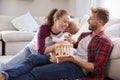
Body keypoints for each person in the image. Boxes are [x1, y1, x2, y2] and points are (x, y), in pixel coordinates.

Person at [0, 7, 114, 80]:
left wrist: (71, 59)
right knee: (34, 58)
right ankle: (5, 75)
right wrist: (64, 50)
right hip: (68, 58)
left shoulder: (105, 42)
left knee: (37, 72)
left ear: (100, 22)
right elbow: (74, 47)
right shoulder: (85, 35)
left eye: (91, 18)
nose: (88, 20)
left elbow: (97, 68)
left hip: (78, 68)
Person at [0, 8, 70, 71]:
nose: (66, 25)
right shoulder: (44, 28)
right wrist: (58, 45)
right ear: (55, 20)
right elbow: (41, 51)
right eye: (64, 21)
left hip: (43, 57)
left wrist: (70, 41)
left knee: (24, 72)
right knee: (6, 68)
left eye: (68, 22)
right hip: (31, 51)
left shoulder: (65, 31)